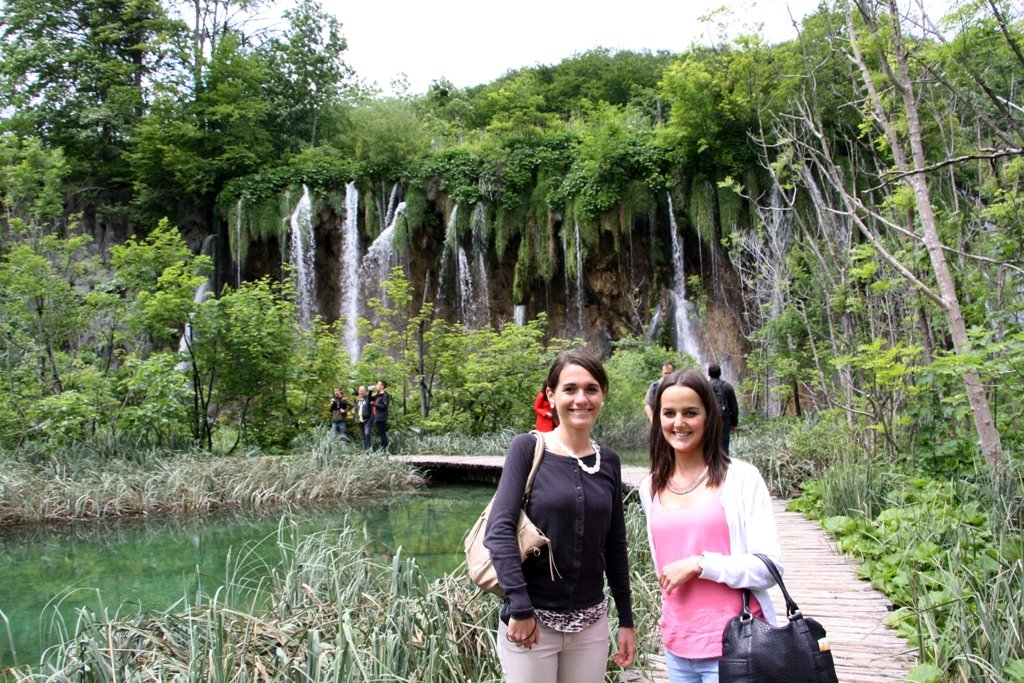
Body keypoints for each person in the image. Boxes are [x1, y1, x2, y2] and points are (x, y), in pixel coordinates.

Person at [484, 350, 636, 682]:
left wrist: (626, 619)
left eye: (591, 389)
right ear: (551, 396)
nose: (581, 399)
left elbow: (614, 545)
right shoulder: (526, 449)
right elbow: (499, 531)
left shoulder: (608, 460)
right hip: (532, 623)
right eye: (570, 389)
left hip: (591, 625)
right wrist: (520, 606)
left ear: (603, 395)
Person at [638, 369, 783, 683]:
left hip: (736, 645)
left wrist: (701, 564)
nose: (679, 423)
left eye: (691, 413)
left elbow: (770, 568)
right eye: (669, 413)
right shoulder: (650, 488)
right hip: (677, 647)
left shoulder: (741, 479)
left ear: (709, 416)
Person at [707, 364, 739, 455]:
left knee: (709, 444)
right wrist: (734, 423)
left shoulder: (705, 386)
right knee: (724, 444)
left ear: (708, 373)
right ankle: (724, 466)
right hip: (725, 420)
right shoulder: (728, 386)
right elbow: (734, 406)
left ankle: (710, 465)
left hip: (709, 420)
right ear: (720, 373)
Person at [371, 380, 391, 451]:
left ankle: (384, 449)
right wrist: (370, 391)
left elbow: (385, 406)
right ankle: (383, 449)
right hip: (377, 416)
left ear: (382, 386)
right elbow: (369, 398)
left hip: (381, 417)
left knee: (382, 434)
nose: (376, 385)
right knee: (381, 433)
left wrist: (374, 404)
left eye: (378, 384)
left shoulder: (385, 395)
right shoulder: (378, 394)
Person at [355, 385, 373, 450]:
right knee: (363, 435)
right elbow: (356, 409)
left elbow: (372, 409)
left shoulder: (368, 398)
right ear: (358, 391)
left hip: (368, 420)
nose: (361, 392)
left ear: (365, 391)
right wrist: (356, 418)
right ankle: (366, 449)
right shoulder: (358, 400)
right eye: (360, 391)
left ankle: (369, 449)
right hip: (360, 420)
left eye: (363, 391)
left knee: (367, 434)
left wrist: (371, 419)